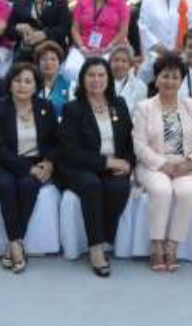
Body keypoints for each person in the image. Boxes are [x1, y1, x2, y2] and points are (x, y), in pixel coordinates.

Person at [56, 57, 135, 278]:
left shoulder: (119, 104)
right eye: (91, 75)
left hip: (113, 164)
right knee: (91, 186)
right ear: (82, 79)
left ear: (109, 78)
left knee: (119, 188)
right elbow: (70, 153)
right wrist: (107, 162)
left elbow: (130, 141)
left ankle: (106, 238)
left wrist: (128, 163)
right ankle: (95, 248)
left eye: (101, 75)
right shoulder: (72, 109)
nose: (96, 80)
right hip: (78, 166)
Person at [132, 54, 192, 272]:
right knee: (162, 190)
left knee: (185, 193)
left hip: (185, 165)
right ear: (156, 79)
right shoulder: (144, 107)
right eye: (165, 76)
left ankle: (172, 245)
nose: (170, 81)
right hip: (153, 165)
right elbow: (139, 145)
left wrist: (191, 163)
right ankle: (156, 244)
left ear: (181, 80)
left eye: (175, 77)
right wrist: (163, 165)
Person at [0, 63, 59, 273]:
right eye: (17, 80)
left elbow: (56, 142)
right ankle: (16, 244)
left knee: (28, 186)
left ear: (36, 85)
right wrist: (27, 168)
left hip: (36, 163)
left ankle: (13, 245)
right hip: (5, 163)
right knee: (6, 185)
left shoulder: (46, 107)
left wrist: (48, 163)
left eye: (28, 81)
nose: (22, 85)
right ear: (9, 84)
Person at [64, 0, 130, 81]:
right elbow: (75, 28)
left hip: (110, 47)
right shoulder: (82, 1)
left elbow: (123, 30)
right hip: (83, 47)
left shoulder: (120, 1)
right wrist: (83, 48)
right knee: (70, 69)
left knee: (104, 73)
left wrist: (109, 47)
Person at [7, 0, 73, 63]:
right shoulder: (19, 2)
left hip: (52, 49)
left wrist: (45, 34)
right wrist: (18, 28)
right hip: (26, 51)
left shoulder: (60, 2)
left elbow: (64, 28)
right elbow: (9, 31)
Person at [35, 41, 72, 116]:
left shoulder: (69, 84)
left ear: (60, 62)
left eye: (53, 59)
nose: (48, 63)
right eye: (44, 59)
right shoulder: (31, 84)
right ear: (38, 63)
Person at [109, 45, 148, 113]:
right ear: (110, 63)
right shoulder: (100, 82)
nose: (119, 64)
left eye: (124, 61)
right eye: (116, 60)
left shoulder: (140, 86)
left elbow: (139, 113)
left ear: (130, 65)